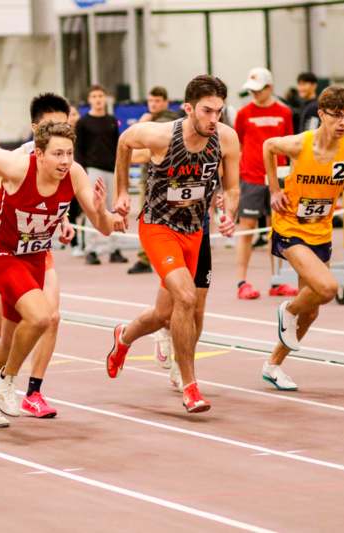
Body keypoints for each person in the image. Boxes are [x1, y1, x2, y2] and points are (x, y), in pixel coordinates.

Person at [0, 121, 121, 427]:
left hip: (32, 258)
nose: (64, 161)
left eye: (69, 153)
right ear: (40, 154)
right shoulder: (18, 168)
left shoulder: (74, 174)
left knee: (8, 340)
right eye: (58, 154)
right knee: (41, 316)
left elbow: (102, 227)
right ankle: (8, 379)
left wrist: (103, 212)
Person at [108, 75, 240, 413]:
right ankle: (190, 386)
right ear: (188, 108)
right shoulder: (161, 135)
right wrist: (121, 192)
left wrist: (229, 211)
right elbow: (124, 141)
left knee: (166, 314)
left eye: (219, 112)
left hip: (194, 230)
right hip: (158, 227)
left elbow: (232, 186)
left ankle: (123, 337)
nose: (214, 119)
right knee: (186, 295)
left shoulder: (226, 138)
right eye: (207, 111)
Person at [0, 93, 74, 418]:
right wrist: (9, 225)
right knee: (5, 332)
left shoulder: (65, 161)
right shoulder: (16, 161)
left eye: (63, 125)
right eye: (49, 126)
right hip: (6, 251)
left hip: (40, 252)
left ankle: (33, 391)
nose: (57, 130)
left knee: (49, 317)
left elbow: (56, 202)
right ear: (35, 128)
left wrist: (64, 222)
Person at [263, 86, 344, 390]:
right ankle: (288, 310)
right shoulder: (300, 144)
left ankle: (273, 365)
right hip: (291, 228)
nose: (343, 122)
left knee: (313, 311)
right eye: (336, 115)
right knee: (328, 287)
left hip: (321, 232)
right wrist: (274, 189)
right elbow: (269, 146)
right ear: (321, 114)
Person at [234, 67, 297, 300]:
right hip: (251, 177)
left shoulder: (285, 112)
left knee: (277, 230)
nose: (254, 95)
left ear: (269, 88)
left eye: (258, 90)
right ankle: (242, 282)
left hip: (278, 178)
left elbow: (291, 144)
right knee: (247, 230)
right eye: (251, 91)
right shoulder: (243, 113)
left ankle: (277, 281)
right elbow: (237, 143)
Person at [128, 86, 182, 275]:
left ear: (166, 102)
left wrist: (142, 124)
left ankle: (148, 257)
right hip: (149, 177)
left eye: (157, 101)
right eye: (151, 101)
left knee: (155, 219)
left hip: (164, 179)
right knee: (149, 219)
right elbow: (131, 144)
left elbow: (140, 143)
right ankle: (149, 256)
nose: (154, 104)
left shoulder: (168, 120)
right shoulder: (151, 120)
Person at [75, 85, 127, 265]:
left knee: (114, 209)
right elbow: (78, 150)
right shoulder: (83, 123)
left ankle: (115, 249)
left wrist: (120, 171)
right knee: (94, 209)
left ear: (105, 99)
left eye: (100, 96)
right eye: (94, 96)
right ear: (89, 100)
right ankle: (92, 250)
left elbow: (118, 148)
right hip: (92, 170)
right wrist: (82, 173)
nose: (98, 99)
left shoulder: (112, 120)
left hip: (111, 170)